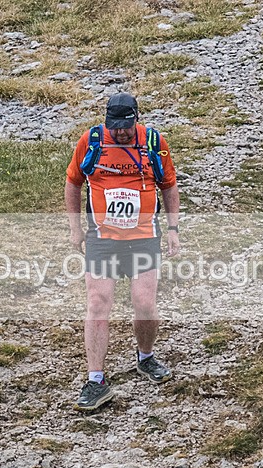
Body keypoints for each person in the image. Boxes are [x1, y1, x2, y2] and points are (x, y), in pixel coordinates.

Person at [65, 92, 181, 411]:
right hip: (103, 238)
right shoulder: (91, 141)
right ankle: (96, 380)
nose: (120, 133)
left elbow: (169, 186)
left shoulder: (153, 143)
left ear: (136, 119)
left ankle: (145, 357)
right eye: (114, 127)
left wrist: (172, 230)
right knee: (98, 302)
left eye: (125, 127)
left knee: (144, 302)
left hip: (144, 237)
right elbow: (73, 182)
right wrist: (76, 228)